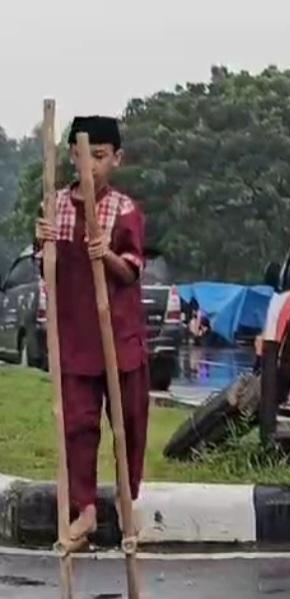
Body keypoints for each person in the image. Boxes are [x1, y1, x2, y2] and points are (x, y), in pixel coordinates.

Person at [34, 116, 149, 543]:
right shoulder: (55, 206)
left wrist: (107, 255)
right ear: (70, 156)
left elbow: (132, 269)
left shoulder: (124, 209)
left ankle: (126, 500)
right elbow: (45, 269)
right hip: (76, 339)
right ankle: (84, 509)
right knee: (77, 427)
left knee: (130, 423)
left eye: (100, 156)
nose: (91, 164)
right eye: (84, 156)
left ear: (116, 159)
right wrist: (42, 242)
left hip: (119, 338)